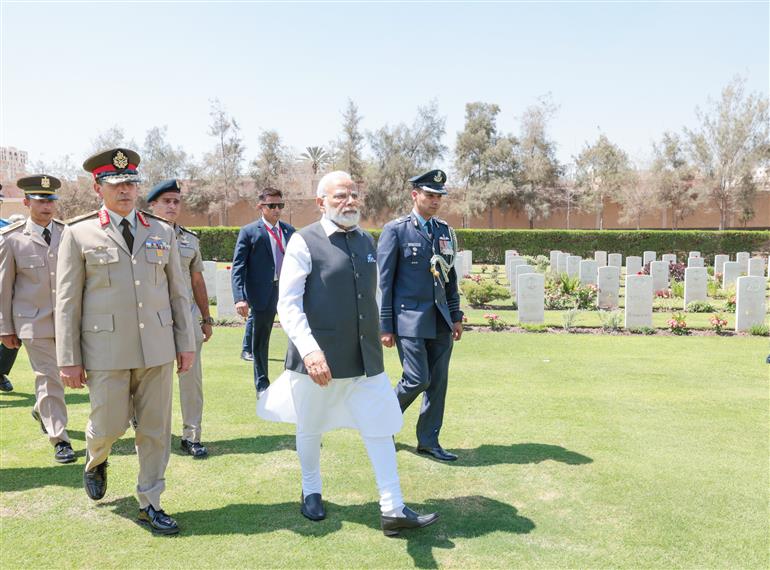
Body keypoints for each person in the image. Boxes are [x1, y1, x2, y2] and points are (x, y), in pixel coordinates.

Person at [258, 171, 438, 537]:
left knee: (380, 424)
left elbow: (372, 295)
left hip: (365, 358)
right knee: (310, 425)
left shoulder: (366, 241)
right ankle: (311, 490)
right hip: (317, 359)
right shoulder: (304, 242)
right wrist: (309, 351)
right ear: (320, 202)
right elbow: (289, 304)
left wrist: (381, 329)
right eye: (340, 196)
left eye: (354, 195)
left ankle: (392, 507)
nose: (350, 201)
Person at [56, 148, 195, 535]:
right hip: (105, 352)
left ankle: (151, 501)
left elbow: (177, 294)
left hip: (157, 349)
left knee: (154, 429)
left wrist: (186, 344)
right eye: (117, 184)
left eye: (132, 183)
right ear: (97, 186)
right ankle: (96, 457)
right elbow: (67, 301)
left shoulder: (161, 230)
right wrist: (68, 358)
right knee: (109, 424)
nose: (126, 191)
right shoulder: (78, 233)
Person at [377, 169, 463, 462]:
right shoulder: (396, 230)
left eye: (439, 196)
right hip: (409, 319)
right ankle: (380, 424)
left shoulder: (444, 232)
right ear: (415, 195)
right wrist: (385, 326)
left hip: (439, 319)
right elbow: (385, 282)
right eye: (430, 194)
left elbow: (450, 277)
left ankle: (429, 441)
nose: (435, 200)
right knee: (417, 378)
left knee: (438, 382)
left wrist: (456, 314)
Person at [0, 175, 75, 463]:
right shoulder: (12, 238)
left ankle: (43, 410)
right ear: (27, 202)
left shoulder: (67, 234)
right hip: (34, 323)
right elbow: (4, 287)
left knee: (76, 375)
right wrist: (5, 327)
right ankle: (60, 439)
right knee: (48, 377)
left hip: (69, 322)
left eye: (51, 200)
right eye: (41, 200)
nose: (47, 206)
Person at [147, 179, 213, 458]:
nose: (172, 206)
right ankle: (149, 431)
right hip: (152, 322)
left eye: (176, 201)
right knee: (150, 383)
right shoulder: (140, 236)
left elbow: (197, 281)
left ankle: (191, 435)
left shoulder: (190, 239)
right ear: (153, 205)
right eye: (166, 201)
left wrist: (207, 318)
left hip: (186, 320)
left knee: (191, 382)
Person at [231, 187, 295, 396]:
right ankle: (262, 385)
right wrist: (240, 298)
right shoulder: (249, 231)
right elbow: (239, 266)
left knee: (296, 335)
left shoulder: (289, 231)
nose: (277, 209)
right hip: (262, 295)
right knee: (260, 342)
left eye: (280, 205)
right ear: (261, 206)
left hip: (288, 293)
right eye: (272, 205)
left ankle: (291, 378)